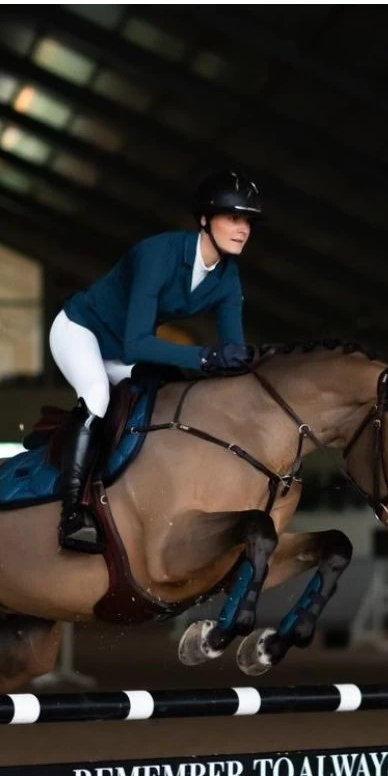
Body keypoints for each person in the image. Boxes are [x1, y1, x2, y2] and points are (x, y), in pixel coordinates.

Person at [48, 169, 264, 553]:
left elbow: (232, 354)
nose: (243, 229)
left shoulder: (228, 278)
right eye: (234, 218)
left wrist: (251, 359)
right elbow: (138, 344)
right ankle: (72, 515)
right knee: (97, 394)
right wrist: (205, 356)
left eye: (248, 221)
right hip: (80, 331)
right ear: (204, 219)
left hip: (120, 352)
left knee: (165, 395)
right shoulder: (157, 255)